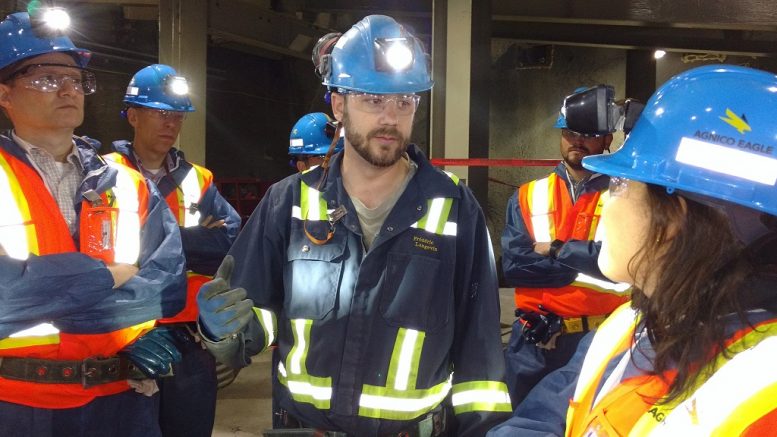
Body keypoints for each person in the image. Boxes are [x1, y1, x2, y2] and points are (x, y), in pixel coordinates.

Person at [196, 14, 511, 436]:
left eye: (404, 101)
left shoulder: (454, 208)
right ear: (339, 104)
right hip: (305, 428)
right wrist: (224, 330)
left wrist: (483, 429)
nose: (390, 117)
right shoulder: (288, 202)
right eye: (373, 100)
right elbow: (254, 320)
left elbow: (481, 348)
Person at [490, 64, 777, 436]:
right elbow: (540, 419)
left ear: (677, 219)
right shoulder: (634, 325)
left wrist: (557, 250)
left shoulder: (760, 388)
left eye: (623, 184)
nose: (607, 198)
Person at [0, 11, 186, 436]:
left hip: (123, 400)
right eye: (46, 77)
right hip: (17, 404)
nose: (69, 89)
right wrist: (107, 276)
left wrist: (38, 293)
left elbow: (167, 288)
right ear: (4, 94)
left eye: (76, 79)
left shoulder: (125, 181)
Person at [105, 64, 241, 437]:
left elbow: (229, 242)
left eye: (177, 117)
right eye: (160, 114)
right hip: (127, 338)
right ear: (132, 116)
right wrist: (192, 238)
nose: (170, 125)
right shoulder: (105, 175)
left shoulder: (197, 179)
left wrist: (152, 245)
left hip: (189, 336)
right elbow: (97, 256)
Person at [500, 86, 630, 407]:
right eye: (570, 132)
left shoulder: (625, 198)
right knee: (519, 422)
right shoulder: (529, 195)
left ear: (607, 140)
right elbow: (515, 266)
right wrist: (580, 262)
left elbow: (620, 266)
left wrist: (557, 250)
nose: (577, 141)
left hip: (598, 342)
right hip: (532, 343)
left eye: (587, 134)